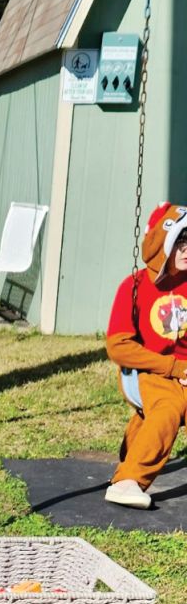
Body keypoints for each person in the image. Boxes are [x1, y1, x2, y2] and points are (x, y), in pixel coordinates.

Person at [105, 202, 187, 509]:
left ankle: (135, 442)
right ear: (161, 243)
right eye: (181, 241)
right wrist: (172, 366)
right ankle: (128, 481)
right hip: (151, 372)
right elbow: (119, 346)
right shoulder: (135, 286)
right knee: (167, 411)